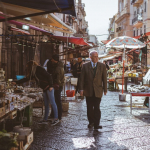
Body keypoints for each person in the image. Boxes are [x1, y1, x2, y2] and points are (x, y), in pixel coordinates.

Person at [12, 60, 59, 126]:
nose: (28, 69)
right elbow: (27, 78)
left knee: (52, 103)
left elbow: (49, 76)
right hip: (44, 88)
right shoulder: (33, 72)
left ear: (31, 66)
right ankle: (45, 119)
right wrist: (16, 82)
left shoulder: (39, 69)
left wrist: (51, 85)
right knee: (46, 104)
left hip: (49, 87)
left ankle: (56, 118)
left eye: (28, 67)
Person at [79, 51, 107, 130]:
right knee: (89, 108)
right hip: (88, 90)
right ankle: (91, 122)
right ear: (90, 57)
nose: (96, 58)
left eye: (97, 56)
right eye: (94, 56)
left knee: (97, 107)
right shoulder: (85, 66)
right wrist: (81, 89)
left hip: (98, 90)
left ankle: (97, 124)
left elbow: (104, 78)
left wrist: (105, 89)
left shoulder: (102, 66)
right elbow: (82, 79)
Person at [47, 54, 64, 121]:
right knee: (54, 100)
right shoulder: (58, 65)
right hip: (58, 85)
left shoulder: (58, 68)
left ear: (55, 60)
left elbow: (57, 78)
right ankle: (54, 114)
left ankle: (59, 116)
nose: (51, 60)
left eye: (52, 59)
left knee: (57, 100)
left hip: (57, 86)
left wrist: (55, 84)